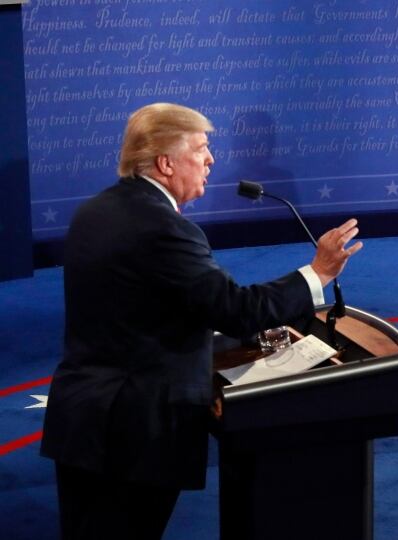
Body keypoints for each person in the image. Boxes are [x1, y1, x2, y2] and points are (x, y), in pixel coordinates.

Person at [40, 102, 363, 539]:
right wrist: (319, 273)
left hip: (84, 420)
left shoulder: (96, 211)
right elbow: (234, 309)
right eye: (201, 148)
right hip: (133, 431)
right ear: (165, 163)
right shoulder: (164, 227)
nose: (211, 159)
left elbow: (142, 304)